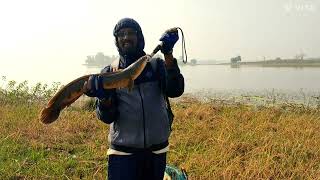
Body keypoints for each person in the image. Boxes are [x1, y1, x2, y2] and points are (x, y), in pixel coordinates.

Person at [84, 18, 184, 180]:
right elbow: (107, 117)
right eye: (121, 34)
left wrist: (168, 54)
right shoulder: (110, 72)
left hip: (156, 151)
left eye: (131, 33)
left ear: (139, 37)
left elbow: (176, 90)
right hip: (122, 153)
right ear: (116, 40)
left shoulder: (156, 65)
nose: (126, 37)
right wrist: (104, 98)